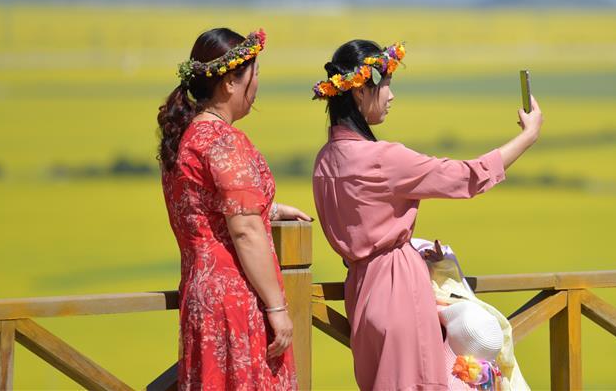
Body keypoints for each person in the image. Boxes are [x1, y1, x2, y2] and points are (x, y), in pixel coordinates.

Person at [311, 40, 543, 391]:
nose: (391, 96)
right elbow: (467, 175)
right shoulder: (383, 159)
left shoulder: (326, 161)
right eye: (385, 85)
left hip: (360, 292)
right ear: (360, 92)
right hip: (399, 289)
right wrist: (528, 136)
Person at [157, 27, 311, 390]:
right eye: (254, 76)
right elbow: (244, 230)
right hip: (235, 298)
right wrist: (276, 308)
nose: (257, 86)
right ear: (229, 82)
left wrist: (269, 210)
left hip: (201, 293)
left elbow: (208, 208)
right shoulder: (224, 141)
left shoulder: (189, 136)